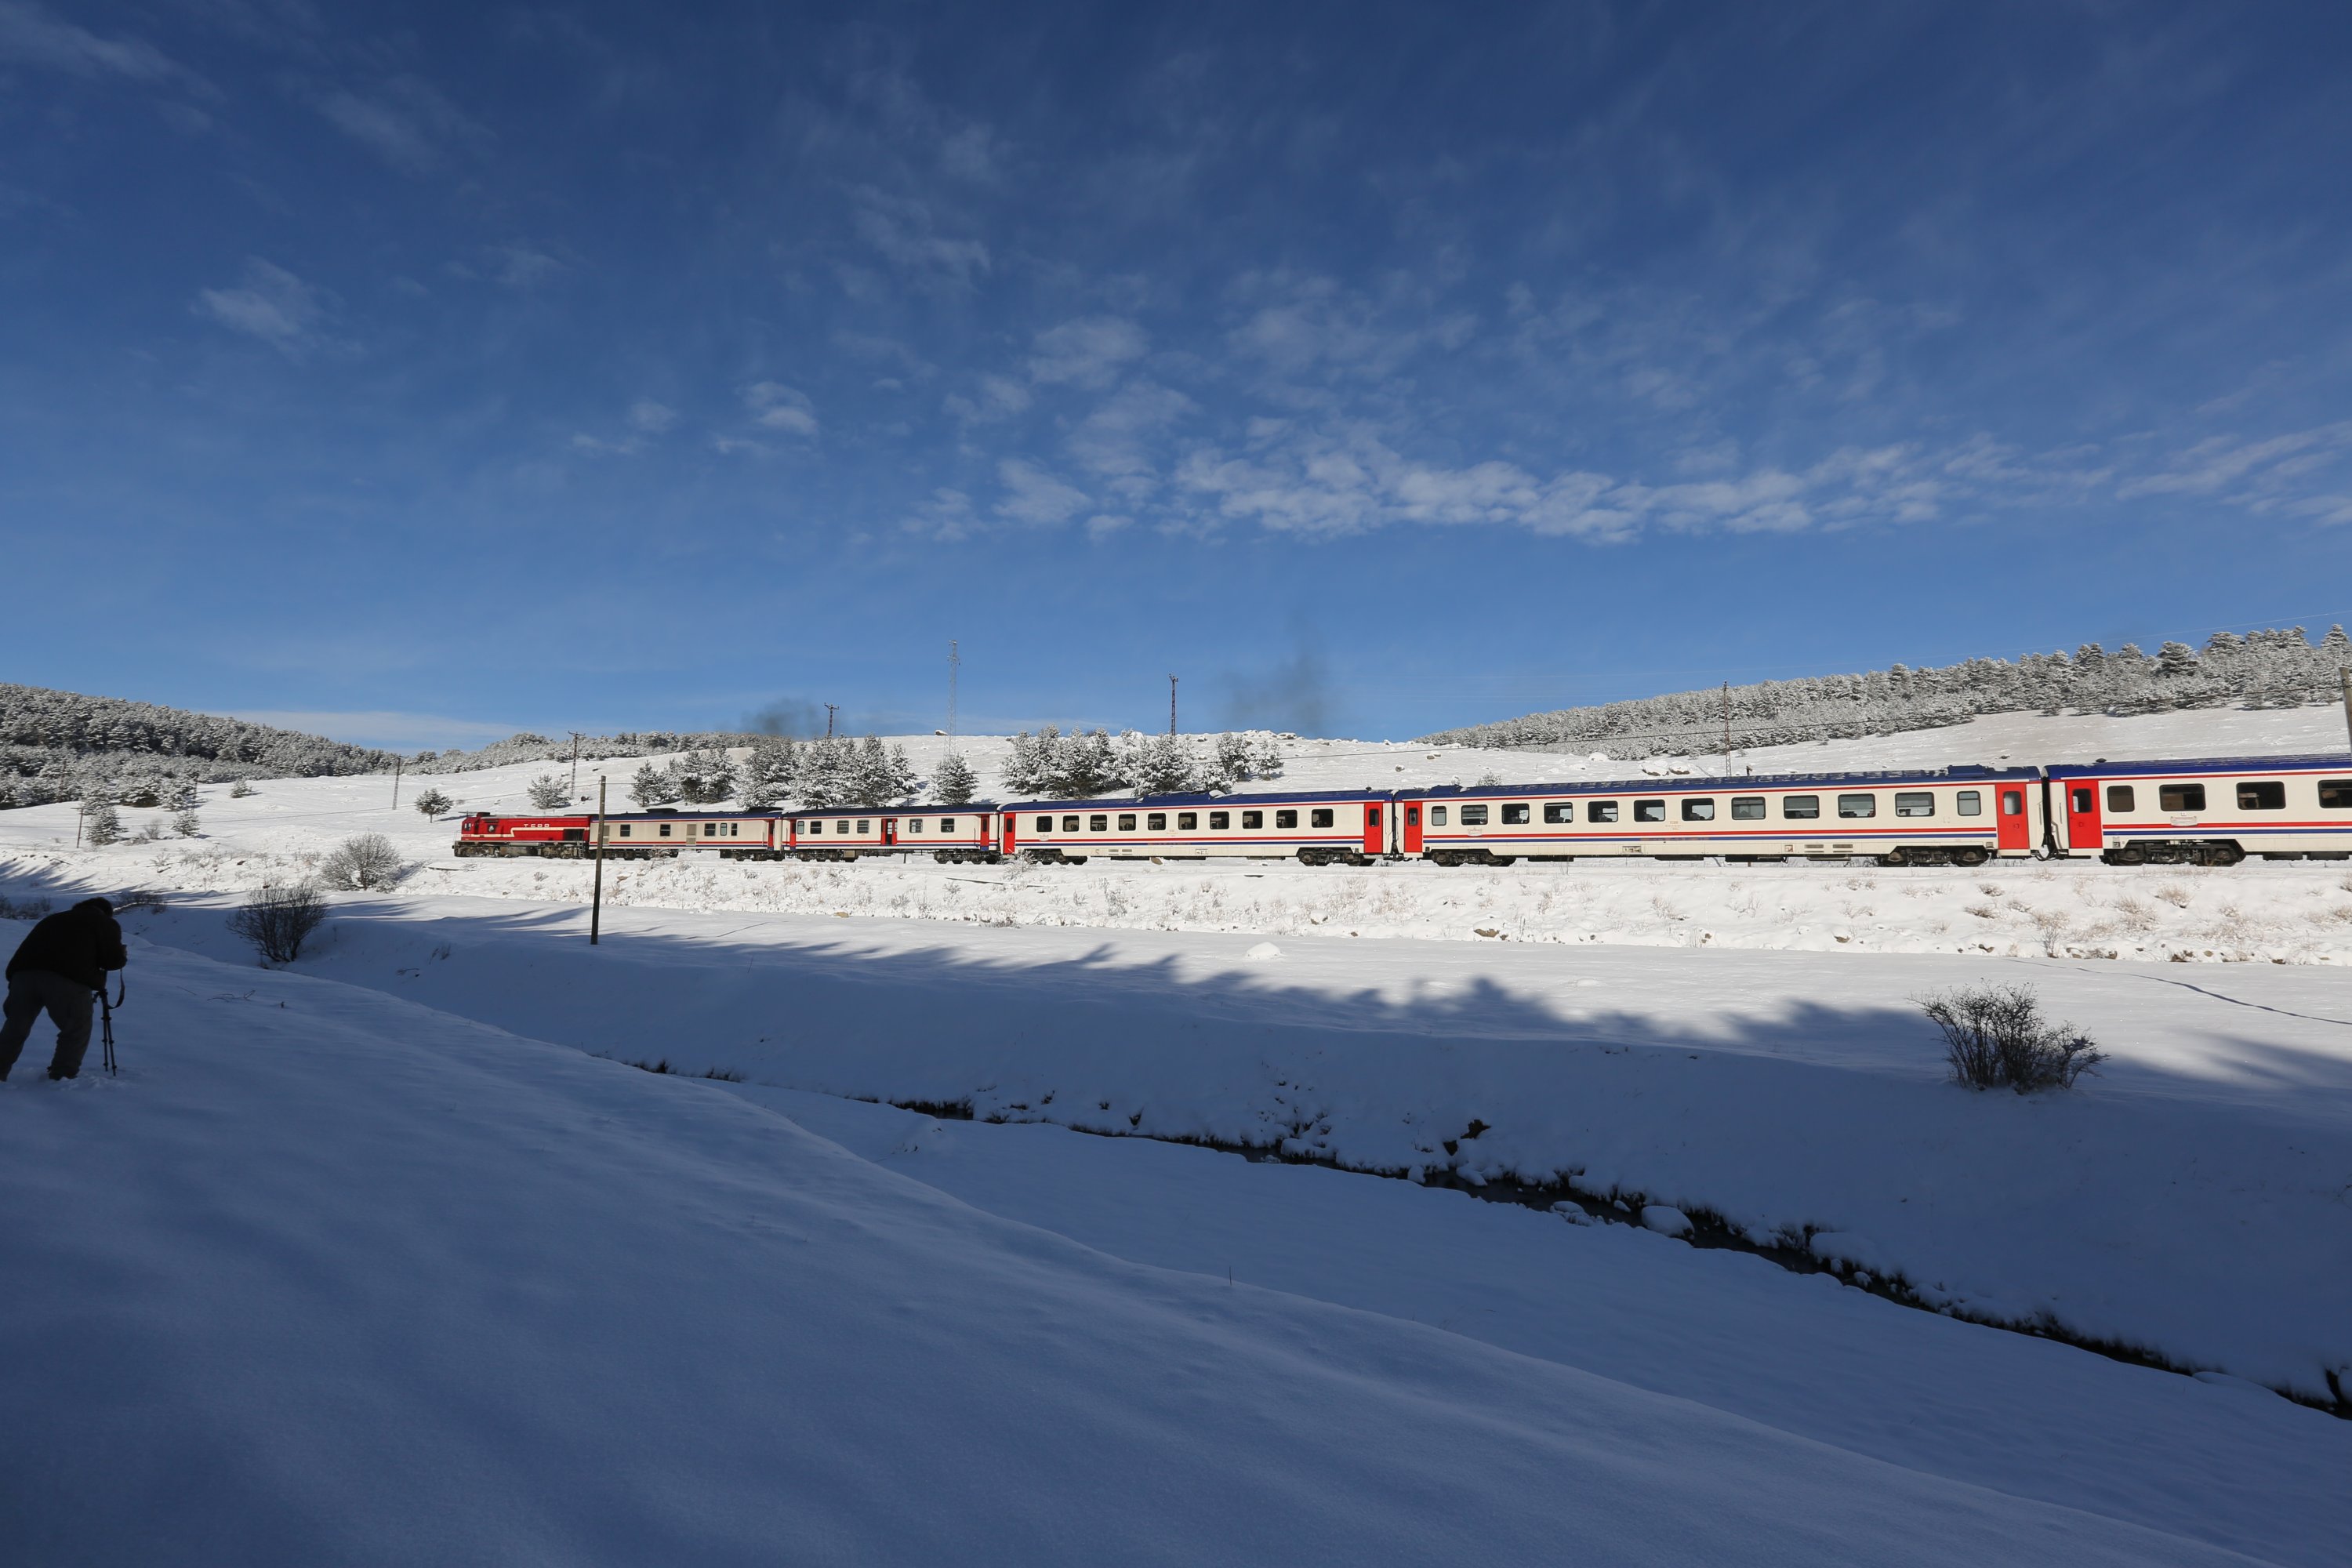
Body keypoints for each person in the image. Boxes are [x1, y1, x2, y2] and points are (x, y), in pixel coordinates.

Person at [0, 898, 128, 1082]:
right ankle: (62, 1077)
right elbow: (112, 961)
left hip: (23, 976)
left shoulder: (53, 919)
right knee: (76, 1027)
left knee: (15, 1027)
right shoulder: (105, 923)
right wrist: (122, 956)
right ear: (106, 912)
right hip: (67, 980)